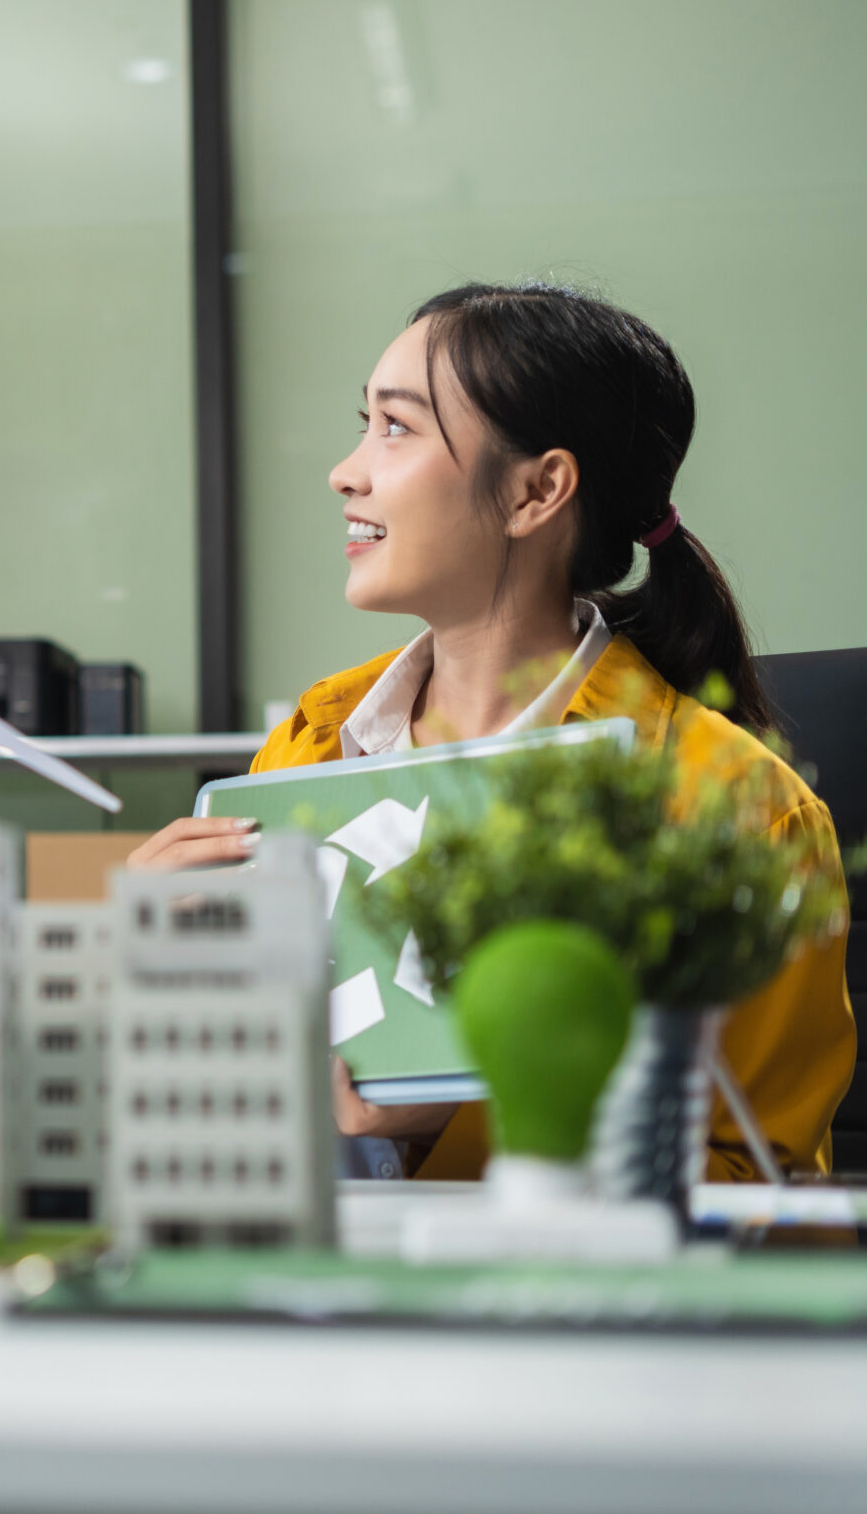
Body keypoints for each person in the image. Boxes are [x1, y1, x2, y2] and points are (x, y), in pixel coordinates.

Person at [130, 282, 852, 1180]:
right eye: (365, 423)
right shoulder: (308, 756)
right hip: (300, 1290)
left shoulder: (732, 810)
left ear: (536, 489)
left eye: (397, 428)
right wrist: (156, 975)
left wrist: (471, 1122)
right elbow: (231, 1118)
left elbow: (766, 1192)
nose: (345, 470)